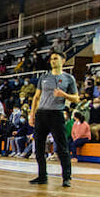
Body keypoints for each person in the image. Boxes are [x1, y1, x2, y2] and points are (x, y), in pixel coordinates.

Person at [29, 51, 79, 187]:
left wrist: (64, 94)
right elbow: (36, 97)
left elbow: (77, 98)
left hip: (56, 114)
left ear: (63, 61)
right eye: (51, 59)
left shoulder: (69, 78)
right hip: (41, 114)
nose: (52, 61)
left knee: (62, 147)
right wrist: (32, 114)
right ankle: (42, 176)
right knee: (39, 147)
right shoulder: (44, 77)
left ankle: (66, 177)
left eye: (55, 59)